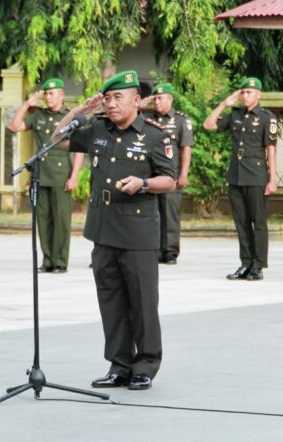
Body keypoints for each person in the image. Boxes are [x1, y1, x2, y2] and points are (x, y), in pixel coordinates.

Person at [54, 70, 176, 390]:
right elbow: (57, 136)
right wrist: (80, 111)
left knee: (143, 303)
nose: (110, 104)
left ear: (136, 100)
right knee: (111, 302)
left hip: (137, 233)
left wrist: (144, 183)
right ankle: (119, 365)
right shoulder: (97, 130)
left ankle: (145, 365)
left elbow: (170, 179)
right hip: (104, 230)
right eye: (106, 99)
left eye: (117, 97)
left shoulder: (153, 135)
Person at [203, 77, 278, 281]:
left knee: (258, 222)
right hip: (236, 175)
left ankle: (258, 265)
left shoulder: (266, 117)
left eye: (249, 92)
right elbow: (208, 125)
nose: (245, 96)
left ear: (258, 94)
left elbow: (270, 149)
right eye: (243, 92)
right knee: (241, 222)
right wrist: (224, 104)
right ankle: (246, 263)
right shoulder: (234, 114)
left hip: (256, 175)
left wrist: (273, 179)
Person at [8, 78, 85, 274]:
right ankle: (48, 259)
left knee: (61, 220)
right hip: (41, 174)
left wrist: (74, 176)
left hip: (61, 174)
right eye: (45, 94)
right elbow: (14, 126)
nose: (47, 97)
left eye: (51, 93)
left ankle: (60, 261)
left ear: (61, 94)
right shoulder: (38, 116)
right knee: (43, 219)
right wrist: (27, 104)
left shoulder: (69, 116)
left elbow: (79, 149)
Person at [142, 83, 194, 265]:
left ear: (170, 99)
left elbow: (186, 148)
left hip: (172, 174)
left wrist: (184, 174)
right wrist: (142, 104)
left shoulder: (181, 121)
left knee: (170, 214)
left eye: (160, 98)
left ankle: (170, 251)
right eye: (155, 98)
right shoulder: (146, 118)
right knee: (153, 213)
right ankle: (155, 249)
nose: (156, 102)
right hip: (152, 175)